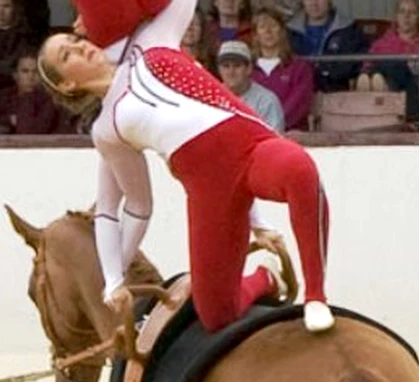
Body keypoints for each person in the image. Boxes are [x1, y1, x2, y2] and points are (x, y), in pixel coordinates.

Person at [37, 0, 334, 332]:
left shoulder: (152, 37)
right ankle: (265, 278)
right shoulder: (107, 129)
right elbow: (124, 207)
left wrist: (258, 222)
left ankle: (315, 296)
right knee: (216, 315)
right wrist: (114, 279)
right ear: (66, 85)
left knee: (301, 170)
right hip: (209, 193)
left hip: (252, 150)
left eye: (76, 42)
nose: (81, 49)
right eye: (67, 56)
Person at [250, 8, 313, 130]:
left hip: (290, 134)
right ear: (256, 35)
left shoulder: (299, 67)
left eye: (273, 26)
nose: (268, 31)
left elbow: (298, 104)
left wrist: (272, 125)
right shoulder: (247, 68)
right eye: (262, 27)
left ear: (282, 31)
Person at [217, 40, 285, 131]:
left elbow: (274, 139)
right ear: (219, 70)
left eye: (237, 66)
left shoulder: (267, 101)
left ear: (249, 68)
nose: (231, 72)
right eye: (226, 66)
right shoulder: (209, 99)